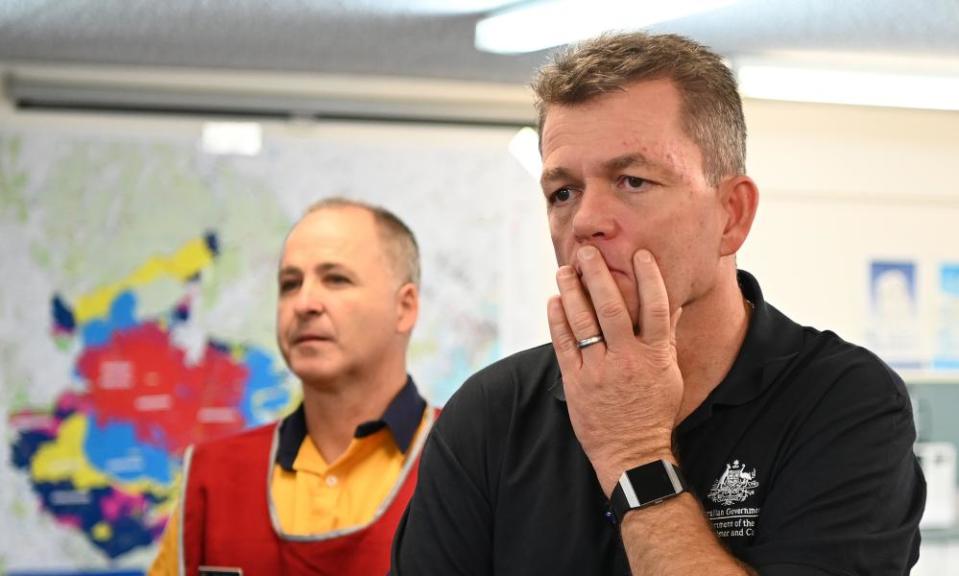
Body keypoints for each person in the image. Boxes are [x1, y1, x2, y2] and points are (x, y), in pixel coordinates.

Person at [391, 32, 925, 576]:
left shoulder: (845, 403)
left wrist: (635, 452)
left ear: (732, 215)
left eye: (633, 180)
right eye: (563, 192)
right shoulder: (491, 415)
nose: (585, 221)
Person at [150, 198, 435, 575]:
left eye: (336, 279)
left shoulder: (470, 462)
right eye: (289, 284)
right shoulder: (210, 478)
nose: (303, 303)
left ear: (405, 307)